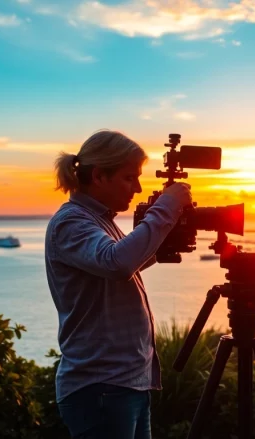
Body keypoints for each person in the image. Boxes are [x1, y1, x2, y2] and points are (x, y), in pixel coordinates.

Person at [44, 130, 192, 439]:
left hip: (124, 385)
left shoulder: (100, 219)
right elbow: (118, 262)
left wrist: (162, 244)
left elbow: (123, 264)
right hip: (101, 388)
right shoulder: (71, 222)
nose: (137, 189)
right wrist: (165, 208)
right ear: (98, 175)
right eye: (129, 178)